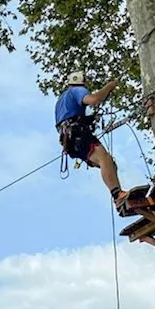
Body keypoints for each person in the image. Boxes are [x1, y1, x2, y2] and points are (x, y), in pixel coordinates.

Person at [55, 71, 127, 210]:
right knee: (104, 159)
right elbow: (94, 100)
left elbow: (68, 117)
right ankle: (118, 195)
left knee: (109, 163)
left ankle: (118, 197)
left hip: (69, 141)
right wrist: (108, 87)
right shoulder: (77, 90)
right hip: (77, 134)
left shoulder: (61, 100)